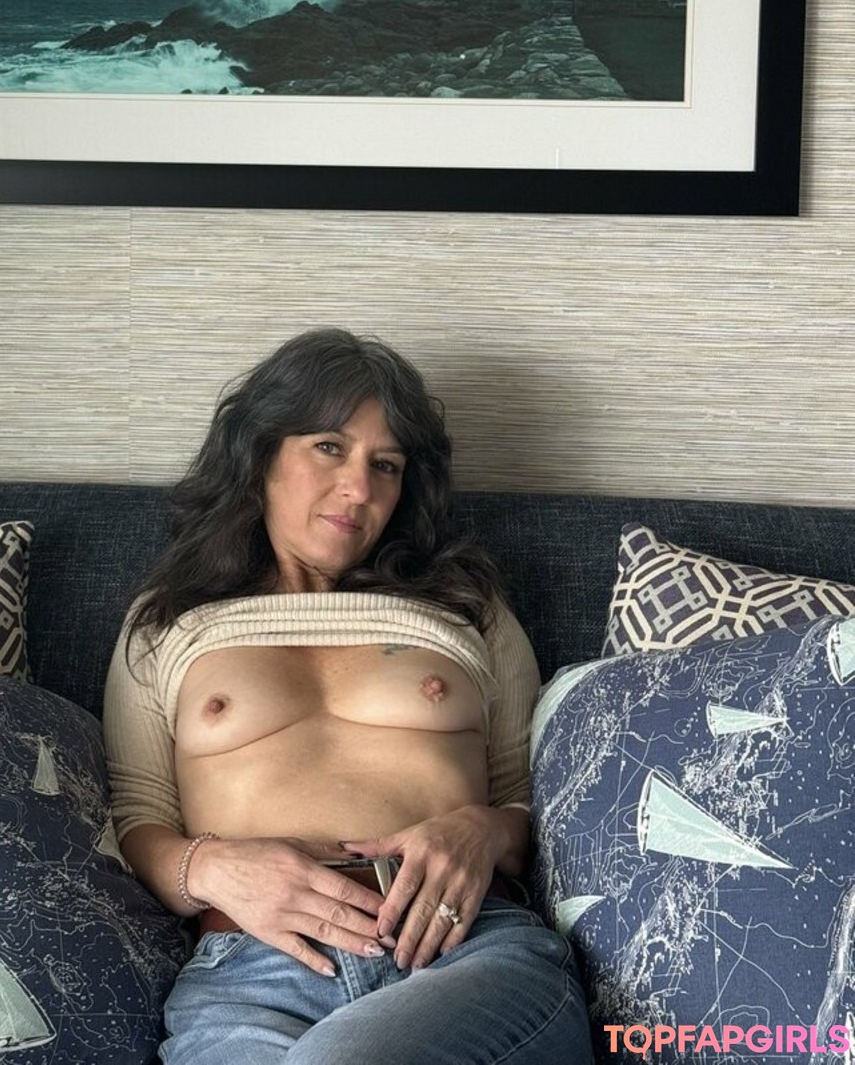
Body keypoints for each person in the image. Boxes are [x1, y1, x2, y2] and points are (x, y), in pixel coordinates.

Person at [104, 328, 591, 1064]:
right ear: (260, 453)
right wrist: (211, 869)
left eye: (385, 465)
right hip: (252, 975)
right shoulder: (169, 621)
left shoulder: (466, 609)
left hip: (462, 950)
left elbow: (532, 803)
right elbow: (137, 816)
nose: (360, 489)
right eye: (330, 447)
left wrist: (481, 830)